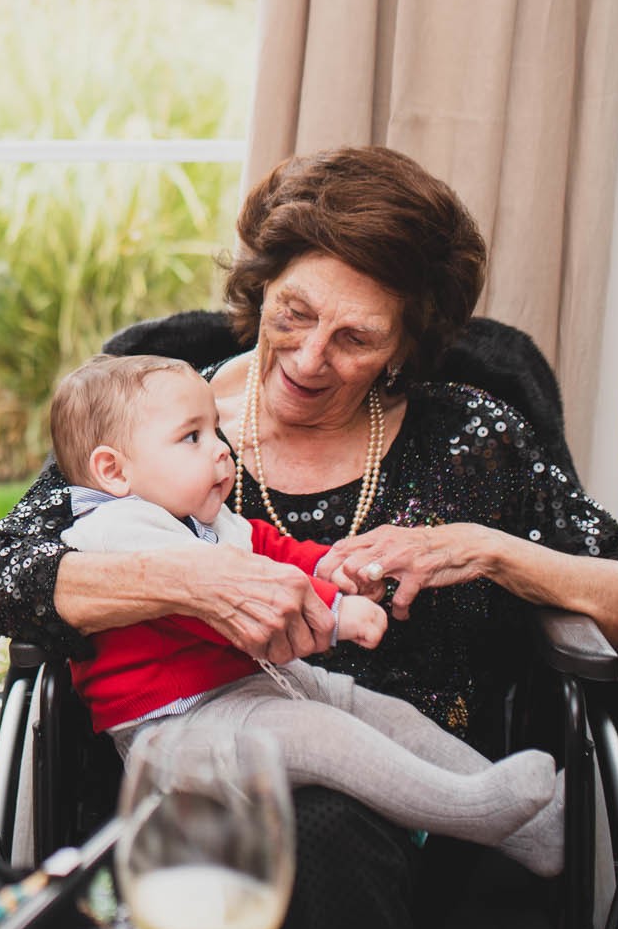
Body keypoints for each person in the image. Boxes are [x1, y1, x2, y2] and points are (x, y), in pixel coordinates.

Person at [0, 145, 618, 929]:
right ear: (260, 289)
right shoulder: (160, 422)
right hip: (203, 814)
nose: (311, 359)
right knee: (321, 824)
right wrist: (190, 576)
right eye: (296, 314)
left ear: (404, 347)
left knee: (341, 812)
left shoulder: (470, 439)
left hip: (437, 840)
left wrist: (497, 551)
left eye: (356, 338)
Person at [49, 353, 563, 877]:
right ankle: (472, 809)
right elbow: (221, 603)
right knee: (324, 737)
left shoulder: (196, 517)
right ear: (113, 470)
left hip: (251, 687)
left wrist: (331, 564)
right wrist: (335, 610)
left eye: (214, 431)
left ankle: (536, 828)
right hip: (176, 728)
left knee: (380, 712)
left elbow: (267, 548)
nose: (220, 452)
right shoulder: (116, 530)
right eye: (192, 438)